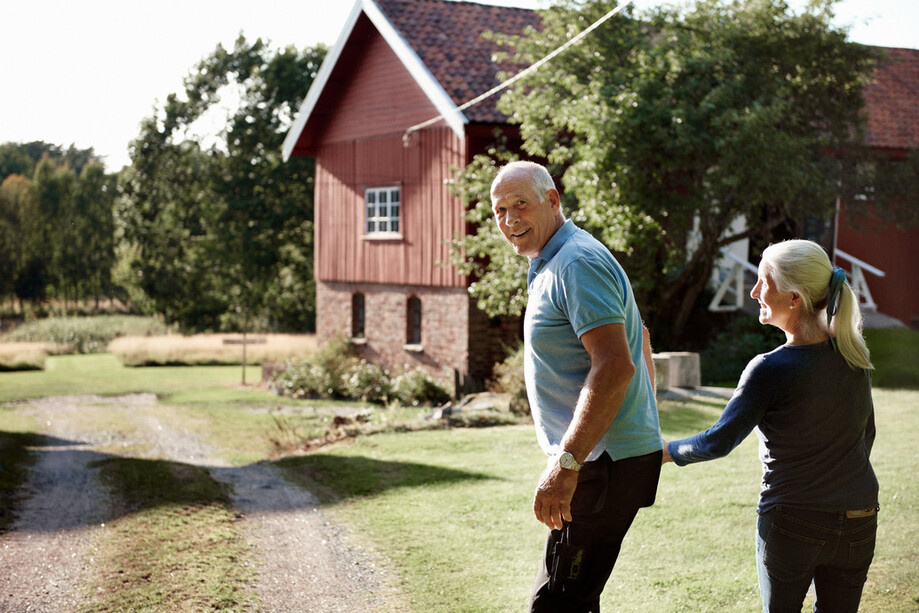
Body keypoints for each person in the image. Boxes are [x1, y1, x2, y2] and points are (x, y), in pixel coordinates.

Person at [663, 239, 879, 613]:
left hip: (792, 523)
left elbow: (719, 441)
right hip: (860, 519)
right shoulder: (853, 355)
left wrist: (667, 452)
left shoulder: (769, 369)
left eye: (764, 280)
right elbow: (866, 436)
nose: (754, 290)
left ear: (794, 298)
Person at [490, 161, 663, 612]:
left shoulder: (576, 262)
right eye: (500, 210)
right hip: (601, 459)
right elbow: (639, 335)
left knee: (555, 605)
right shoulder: (555, 260)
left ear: (552, 200)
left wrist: (567, 464)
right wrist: (647, 426)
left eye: (520, 205)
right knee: (577, 600)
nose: (510, 220)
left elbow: (613, 367)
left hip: (600, 464)